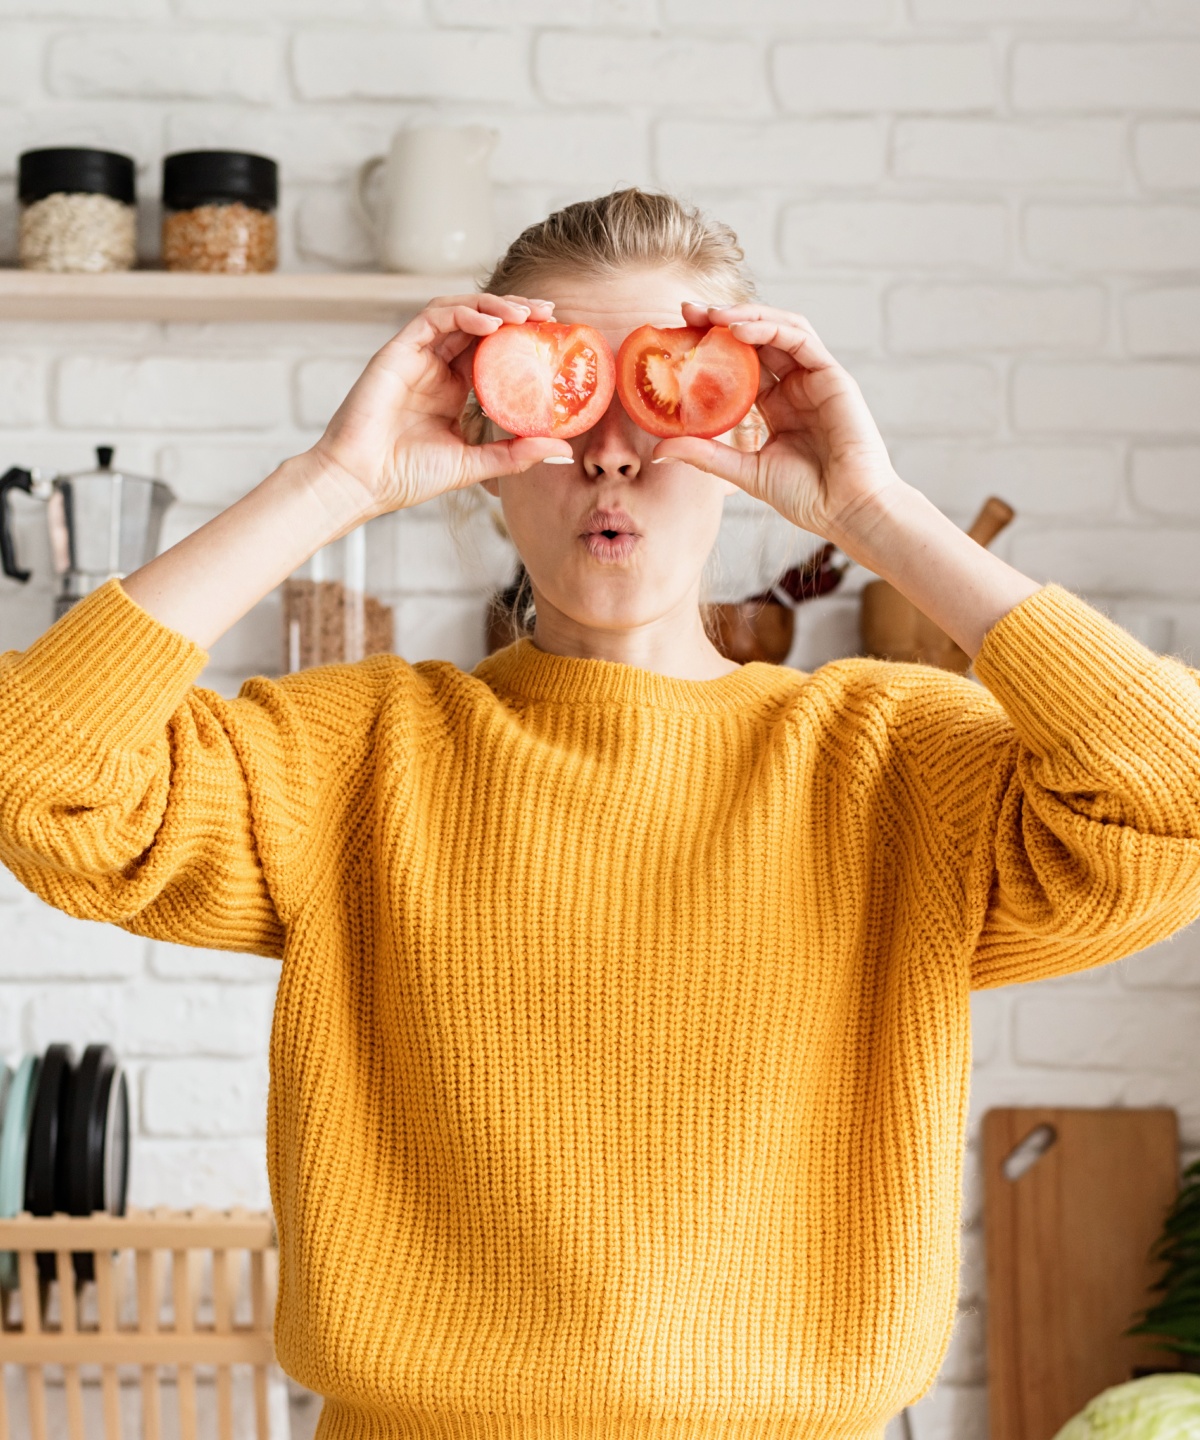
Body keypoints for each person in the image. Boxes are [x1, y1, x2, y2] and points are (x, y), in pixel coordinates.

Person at [2, 188, 1199, 1440]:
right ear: (483, 442)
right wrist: (332, 481)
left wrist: (871, 510)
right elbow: (32, 772)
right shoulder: (352, 756)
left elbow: (1179, 798)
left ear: (747, 432)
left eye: (672, 398)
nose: (615, 453)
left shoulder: (891, 762)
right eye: (565, 400)